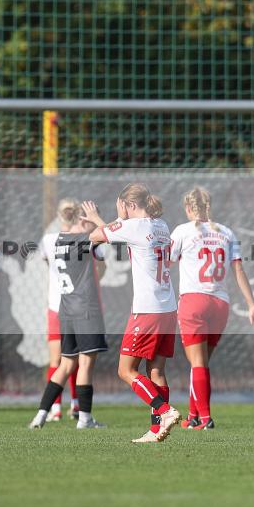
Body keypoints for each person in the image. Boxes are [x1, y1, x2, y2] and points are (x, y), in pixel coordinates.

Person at [86, 183, 181, 443]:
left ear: (128, 205)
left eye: (122, 205)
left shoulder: (133, 226)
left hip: (147, 309)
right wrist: (108, 221)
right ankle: (156, 429)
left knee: (126, 370)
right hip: (168, 306)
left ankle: (165, 411)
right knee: (156, 371)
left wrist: (117, 218)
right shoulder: (162, 226)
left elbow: (95, 236)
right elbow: (123, 236)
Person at [169, 187, 254, 430]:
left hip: (194, 301)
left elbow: (166, 263)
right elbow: (239, 270)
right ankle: (192, 416)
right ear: (209, 206)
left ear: (189, 208)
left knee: (197, 363)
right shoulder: (226, 232)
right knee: (199, 364)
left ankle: (205, 418)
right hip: (220, 304)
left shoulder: (182, 231)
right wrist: (252, 304)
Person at [29, 202, 108, 429]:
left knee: (65, 365)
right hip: (86, 309)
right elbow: (112, 236)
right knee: (85, 365)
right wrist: (97, 221)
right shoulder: (87, 240)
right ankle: (84, 418)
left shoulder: (57, 241)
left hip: (65, 310)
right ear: (83, 219)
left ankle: (41, 415)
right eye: (91, 218)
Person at [39, 199, 80, 422]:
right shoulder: (82, 239)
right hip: (77, 306)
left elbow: (48, 263)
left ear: (59, 215)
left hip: (56, 305)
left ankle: (55, 408)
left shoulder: (48, 240)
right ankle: (76, 404)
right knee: (74, 358)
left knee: (56, 360)